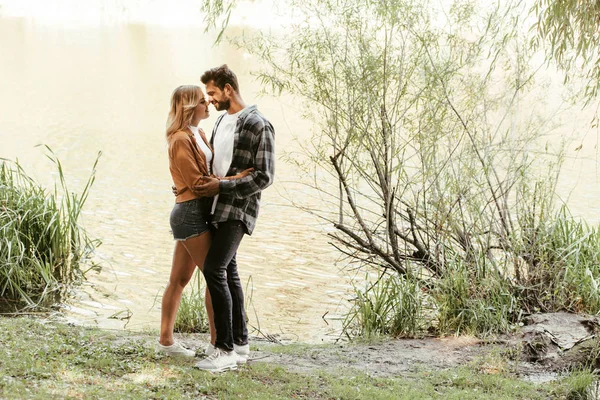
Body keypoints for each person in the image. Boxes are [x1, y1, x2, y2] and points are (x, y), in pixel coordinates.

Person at [157, 85, 252, 357]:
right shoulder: (179, 139)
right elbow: (197, 183)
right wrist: (235, 180)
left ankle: (165, 342)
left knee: (179, 279)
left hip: (197, 211)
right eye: (201, 101)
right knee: (215, 275)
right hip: (190, 214)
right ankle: (218, 344)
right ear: (188, 108)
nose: (207, 104)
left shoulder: (197, 133)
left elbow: (203, 174)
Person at [192, 65, 275, 372]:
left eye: (212, 93)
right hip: (216, 206)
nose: (209, 100)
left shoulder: (258, 124)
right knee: (230, 273)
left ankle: (223, 349)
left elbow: (264, 176)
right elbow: (218, 165)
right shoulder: (223, 122)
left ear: (228, 89)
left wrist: (225, 184)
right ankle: (240, 345)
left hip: (238, 209)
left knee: (214, 268)